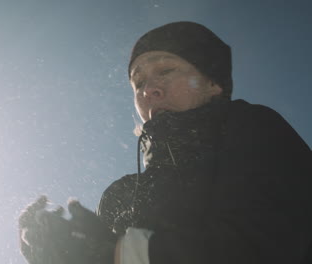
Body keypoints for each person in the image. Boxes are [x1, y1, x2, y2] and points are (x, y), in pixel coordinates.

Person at [18, 21, 312, 264]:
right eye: (138, 82)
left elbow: (278, 238)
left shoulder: (250, 127)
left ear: (213, 84)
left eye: (166, 70)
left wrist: (117, 252)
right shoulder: (122, 194)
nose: (149, 90)